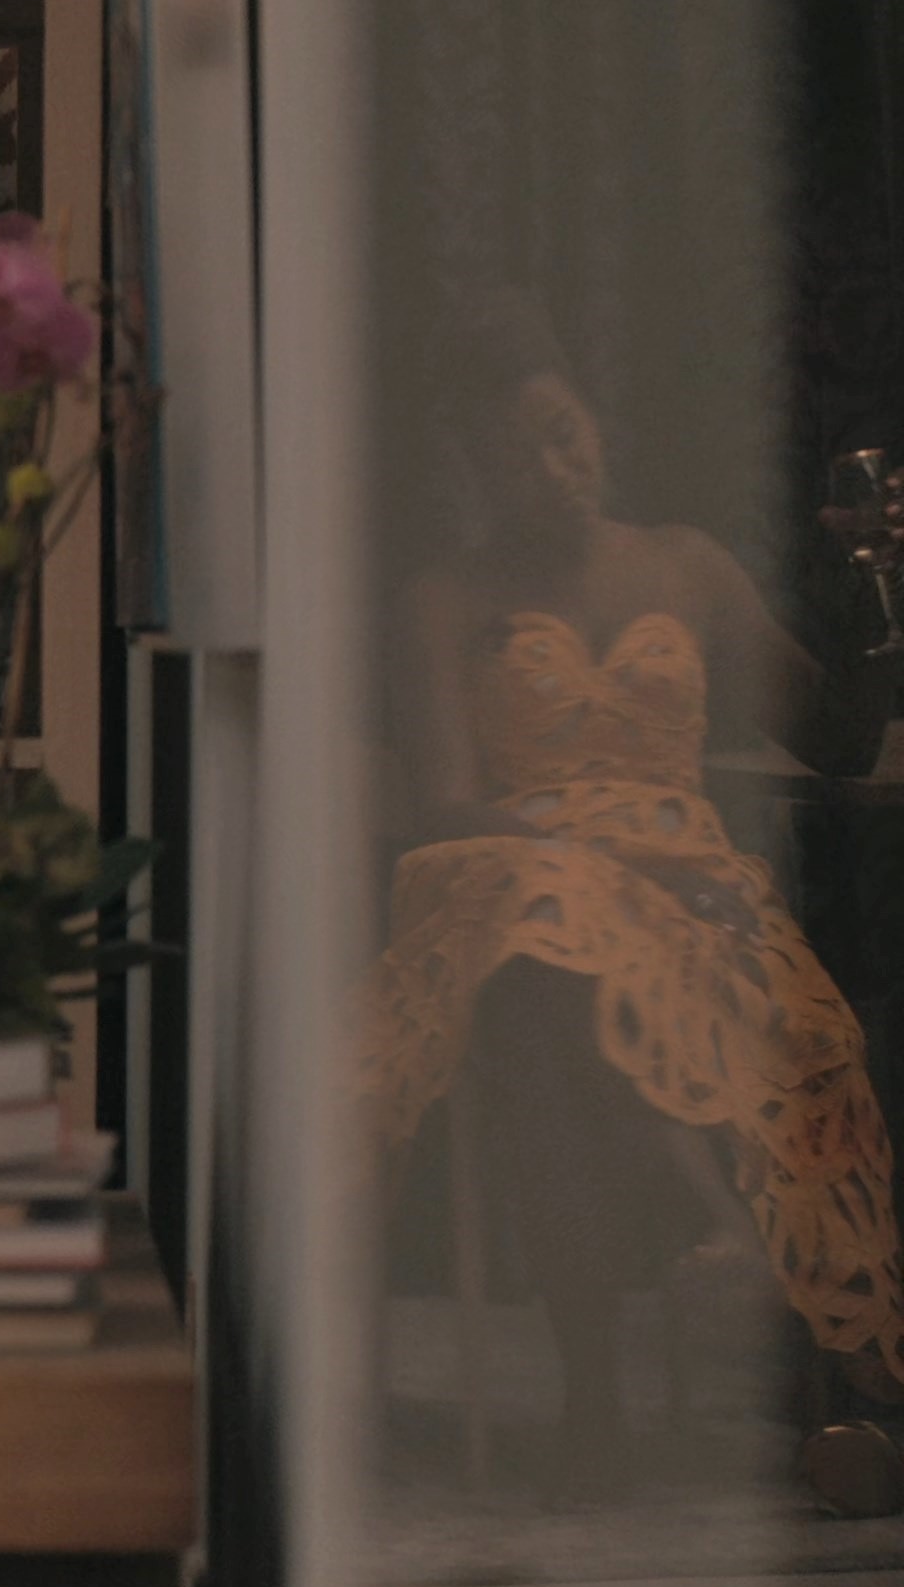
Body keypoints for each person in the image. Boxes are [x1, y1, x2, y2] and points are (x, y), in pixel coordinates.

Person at [362, 300, 904, 1509]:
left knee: (617, 1025)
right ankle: (703, 1235)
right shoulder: (445, 599)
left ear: (595, 418)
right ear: (474, 471)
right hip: (522, 886)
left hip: (697, 904)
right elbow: (445, 805)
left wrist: (875, 586)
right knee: (554, 947)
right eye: (516, 457)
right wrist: (611, 866)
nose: (554, 470)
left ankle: (645, 1380)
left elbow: (836, 738)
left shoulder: (685, 565)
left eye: (564, 434)